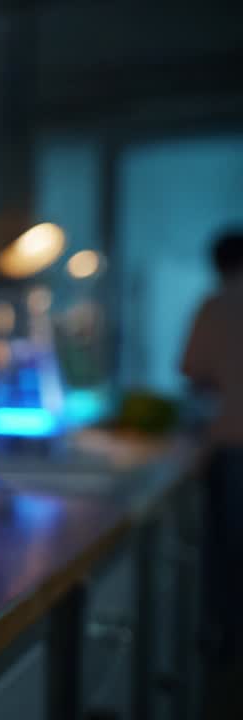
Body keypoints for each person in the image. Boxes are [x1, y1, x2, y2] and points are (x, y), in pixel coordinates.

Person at [181, 229, 243, 688]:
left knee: (227, 555)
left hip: (231, 445)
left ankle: (224, 658)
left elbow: (193, 371)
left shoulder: (217, 304)